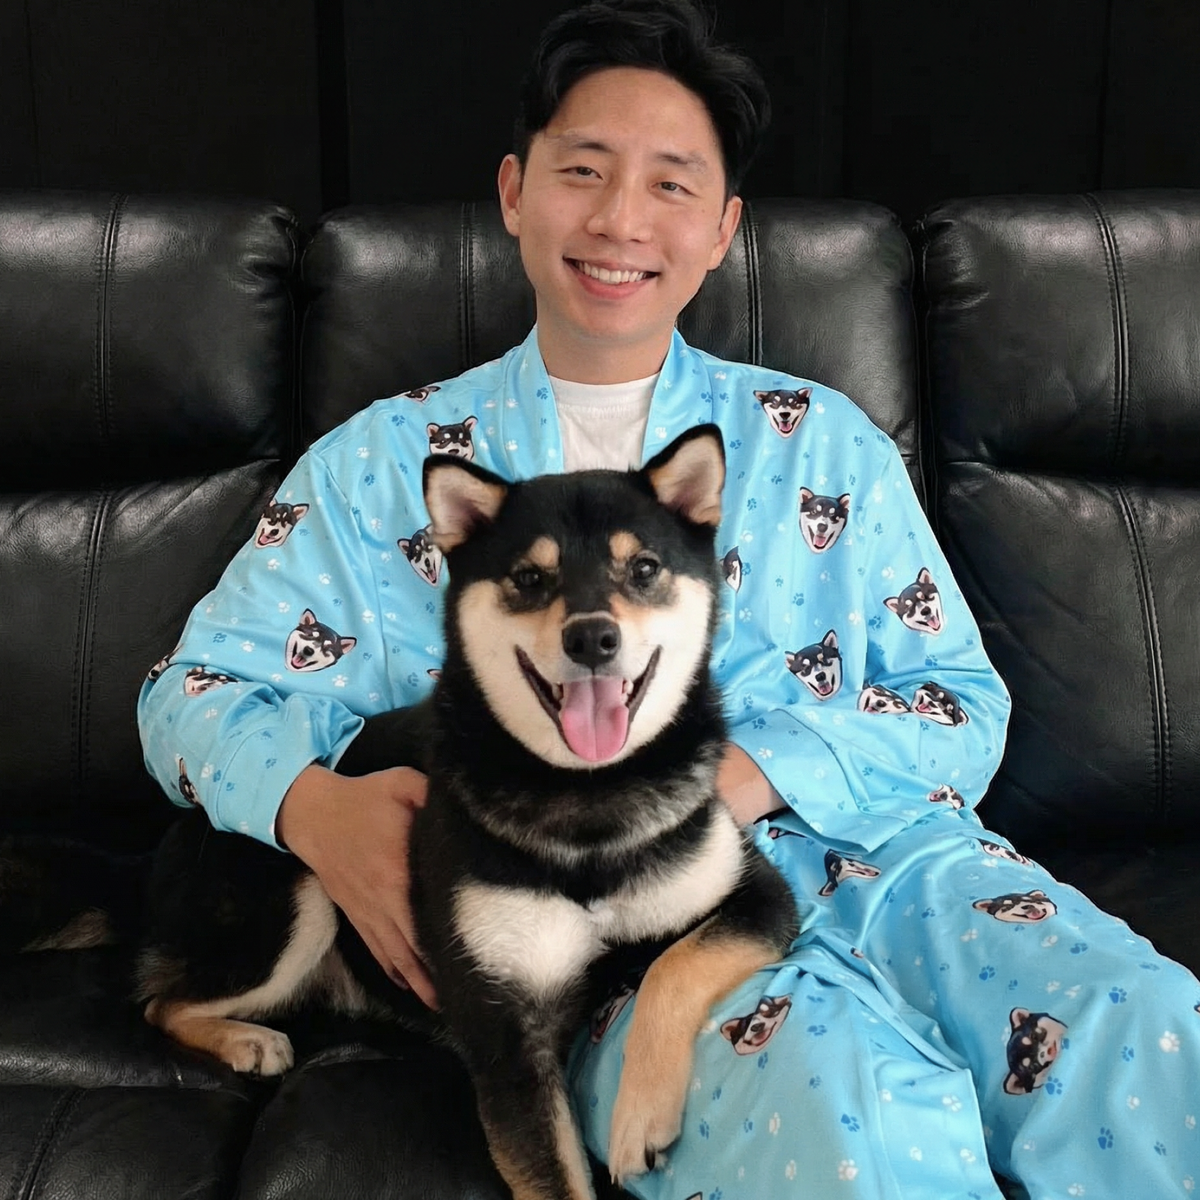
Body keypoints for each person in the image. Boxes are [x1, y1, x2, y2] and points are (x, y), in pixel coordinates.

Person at [138, 1, 1200, 1195]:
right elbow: (192, 692)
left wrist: (742, 783)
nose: (620, 220)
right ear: (514, 192)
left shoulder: (826, 445)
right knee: (842, 1121)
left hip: (898, 865)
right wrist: (307, 808)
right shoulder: (381, 465)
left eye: (671, 185)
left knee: (1144, 1029)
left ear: (723, 230)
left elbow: (961, 701)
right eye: (583, 171)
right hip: (609, 936)